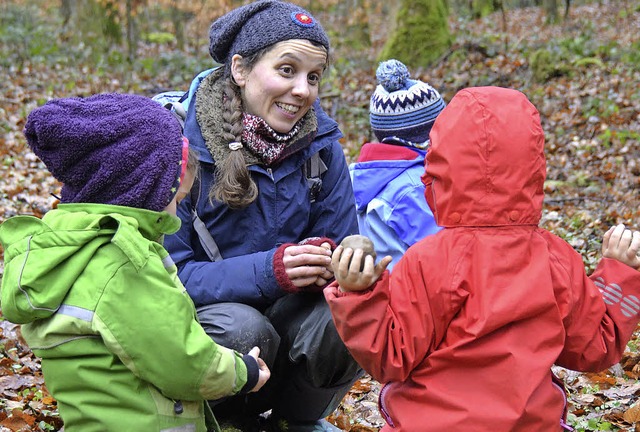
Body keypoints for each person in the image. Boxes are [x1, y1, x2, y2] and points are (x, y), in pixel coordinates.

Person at [325, 86, 640, 431]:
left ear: (440, 169)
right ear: (533, 168)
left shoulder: (428, 261)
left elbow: (391, 356)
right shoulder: (554, 258)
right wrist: (618, 273)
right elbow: (597, 345)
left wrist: (359, 297)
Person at [0, 93, 270, 432]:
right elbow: (180, 360)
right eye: (177, 195)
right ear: (147, 188)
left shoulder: (71, 247)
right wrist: (243, 372)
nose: (179, 205)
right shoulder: (123, 261)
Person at [163, 1, 361, 431]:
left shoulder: (323, 147)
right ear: (240, 69)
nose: (303, 90)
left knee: (349, 315)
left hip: (291, 324)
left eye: (313, 77)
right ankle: (225, 421)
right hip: (210, 328)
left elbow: (342, 242)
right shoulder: (178, 145)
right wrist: (271, 271)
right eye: (286, 70)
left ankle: (297, 421)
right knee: (245, 328)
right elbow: (166, 277)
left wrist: (336, 260)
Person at [349, 59, 445, 271]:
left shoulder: (359, 176)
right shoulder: (415, 188)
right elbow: (445, 255)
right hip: (414, 293)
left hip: (379, 290)